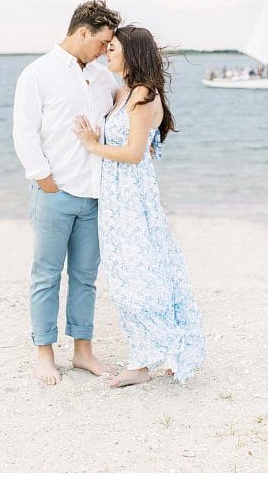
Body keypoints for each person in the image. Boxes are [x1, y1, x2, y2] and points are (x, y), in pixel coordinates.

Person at [73, 25, 205, 388]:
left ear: (132, 53)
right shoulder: (124, 93)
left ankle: (143, 361)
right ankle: (157, 349)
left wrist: (91, 144)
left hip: (132, 200)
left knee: (138, 277)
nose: (107, 53)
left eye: (113, 48)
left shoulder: (143, 95)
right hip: (116, 199)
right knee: (128, 276)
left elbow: (133, 154)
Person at [12, 0, 122, 386]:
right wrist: (45, 180)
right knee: (46, 276)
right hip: (55, 193)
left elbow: (121, 115)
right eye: (102, 42)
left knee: (86, 276)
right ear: (82, 33)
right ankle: (44, 353)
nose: (105, 51)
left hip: (95, 195)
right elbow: (24, 133)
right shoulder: (37, 74)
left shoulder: (103, 77)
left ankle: (82, 352)